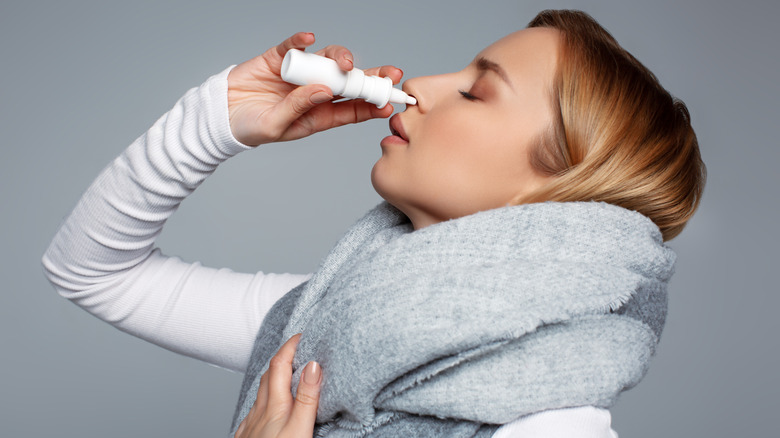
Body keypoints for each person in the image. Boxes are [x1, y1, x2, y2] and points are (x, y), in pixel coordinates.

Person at [43, 9, 705, 438]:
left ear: (559, 185)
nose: (422, 84)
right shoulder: (327, 320)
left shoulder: (553, 426)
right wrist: (215, 118)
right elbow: (94, 272)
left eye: (476, 92)